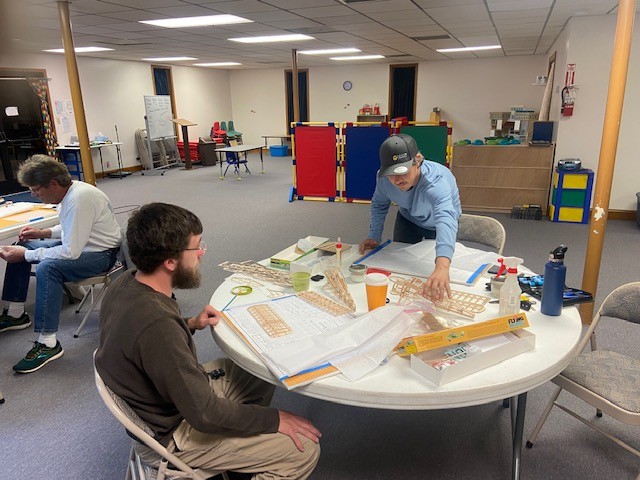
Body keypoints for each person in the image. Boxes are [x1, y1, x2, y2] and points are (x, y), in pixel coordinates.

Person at [95, 203, 321, 479]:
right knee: (303, 450)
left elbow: (145, 340)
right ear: (170, 261)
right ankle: (250, 453)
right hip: (175, 433)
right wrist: (274, 420)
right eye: (197, 247)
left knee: (256, 371)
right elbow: (204, 413)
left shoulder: (127, 282)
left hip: (162, 403)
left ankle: (245, 457)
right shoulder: (158, 325)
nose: (202, 253)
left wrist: (189, 323)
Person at [0, 155, 121, 373]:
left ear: (53, 184)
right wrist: (43, 233)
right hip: (84, 246)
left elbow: (69, 252)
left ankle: (48, 343)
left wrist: (25, 256)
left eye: (36, 190)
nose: (34, 195)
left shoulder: (78, 200)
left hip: (100, 255)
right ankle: (16, 314)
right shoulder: (71, 193)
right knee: (24, 245)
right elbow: (70, 229)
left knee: (47, 267)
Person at [359, 133, 461, 301]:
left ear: (418, 160)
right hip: (409, 219)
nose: (397, 179)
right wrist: (374, 236)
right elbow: (379, 204)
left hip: (437, 224)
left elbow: (445, 219)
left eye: (402, 171)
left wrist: (442, 267)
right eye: (391, 173)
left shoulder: (436, 181)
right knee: (401, 265)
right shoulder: (384, 180)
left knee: (438, 271)